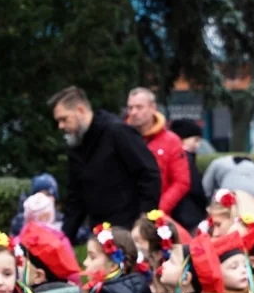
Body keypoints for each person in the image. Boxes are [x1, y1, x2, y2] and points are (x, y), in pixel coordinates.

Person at [48, 86, 161, 243]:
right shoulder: (77, 143)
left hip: (128, 227)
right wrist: (63, 240)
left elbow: (149, 173)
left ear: (80, 110)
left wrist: (145, 219)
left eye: (64, 119)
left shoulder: (116, 132)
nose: (61, 126)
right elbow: (76, 197)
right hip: (99, 229)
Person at [126, 88, 191, 217]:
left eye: (139, 107)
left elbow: (181, 182)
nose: (133, 112)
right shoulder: (122, 137)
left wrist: (157, 210)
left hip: (157, 217)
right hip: (125, 214)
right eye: (130, 108)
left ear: (152, 108)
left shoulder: (171, 141)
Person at [169, 119, 208, 232]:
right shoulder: (186, 159)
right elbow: (196, 187)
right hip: (190, 215)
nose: (198, 145)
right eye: (195, 140)